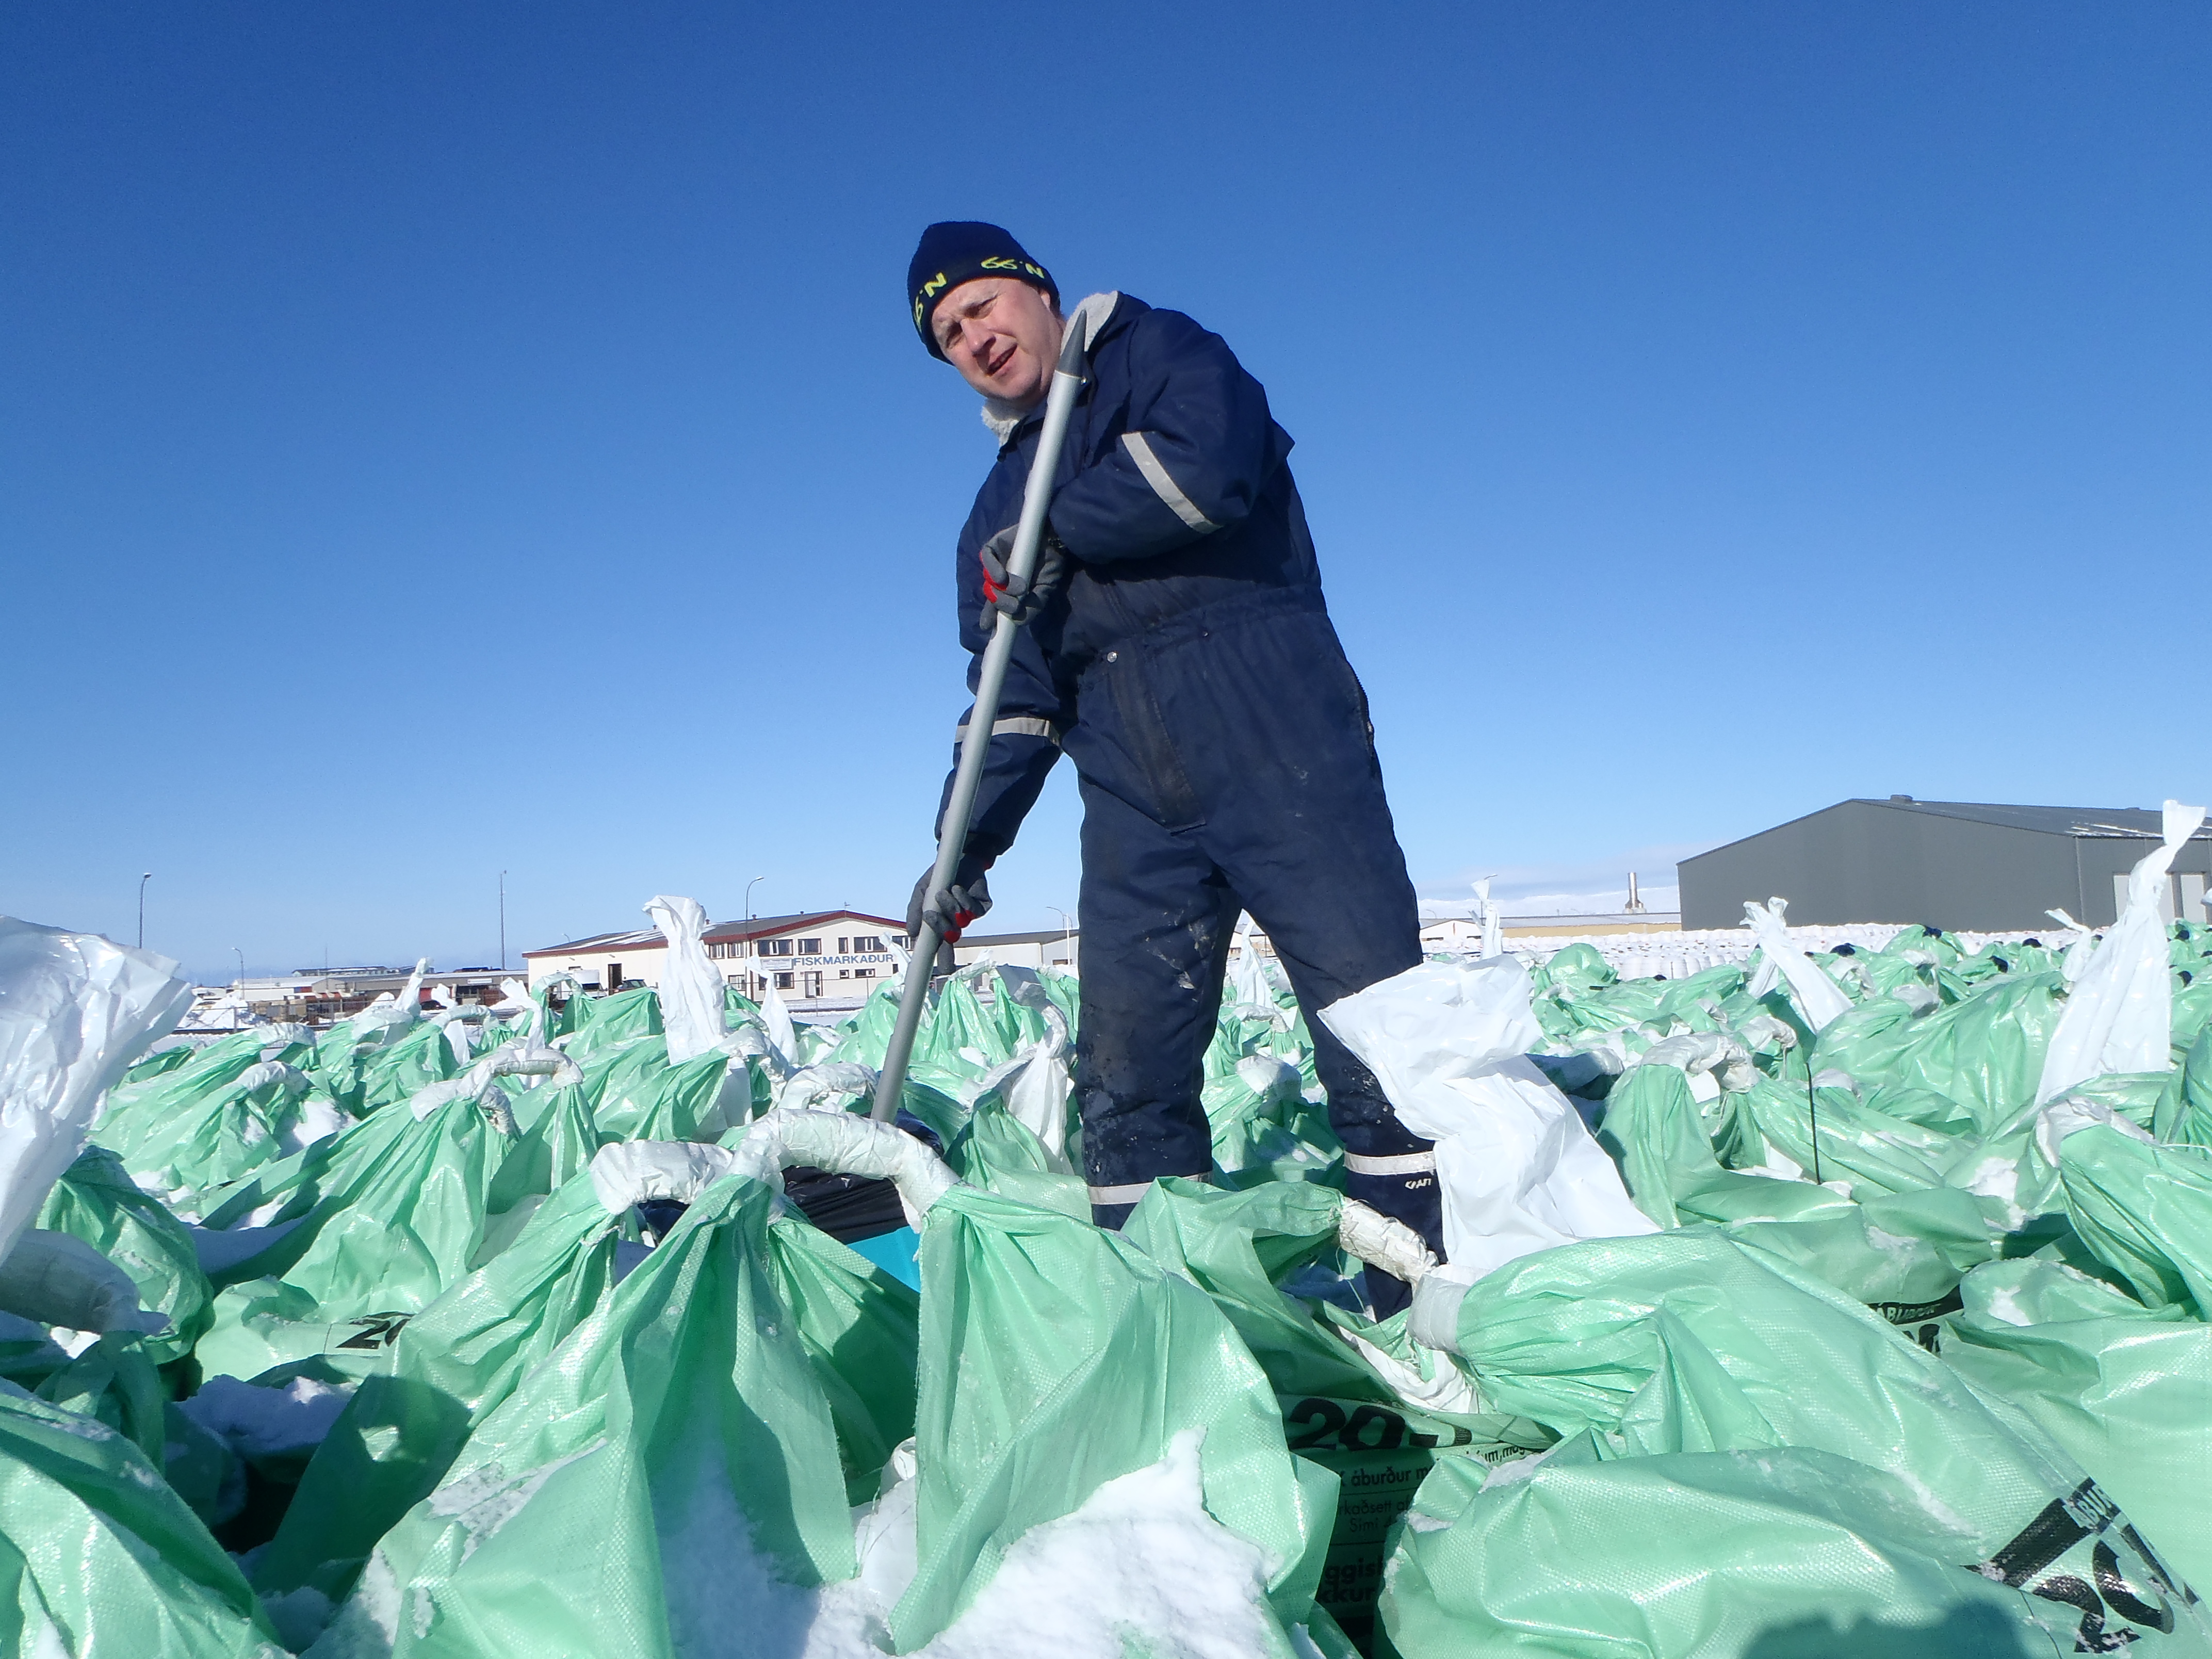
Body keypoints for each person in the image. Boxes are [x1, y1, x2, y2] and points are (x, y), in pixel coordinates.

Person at [901, 221, 1442, 1313]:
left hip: (1279, 741)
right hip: (1133, 799)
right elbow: (1012, 698)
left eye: (982, 306)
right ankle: (1169, 1321)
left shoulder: (1157, 356)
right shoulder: (989, 513)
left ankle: (1423, 1302)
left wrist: (1059, 528)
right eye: (947, 333)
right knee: (1126, 1070)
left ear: (1035, 292)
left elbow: (1204, 474)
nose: (973, 337)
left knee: (1376, 1037)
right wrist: (963, 848)